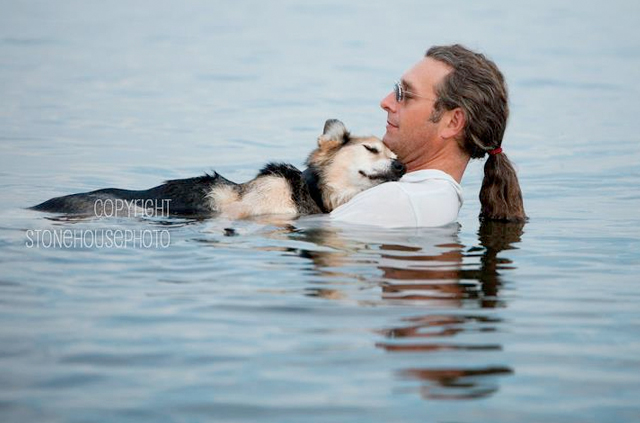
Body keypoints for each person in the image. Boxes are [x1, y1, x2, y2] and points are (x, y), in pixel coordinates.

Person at [330, 44, 526, 227]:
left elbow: (312, 240)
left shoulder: (400, 199)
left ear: (453, 122)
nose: (386, 102)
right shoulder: (432, 196)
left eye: (405, 94)